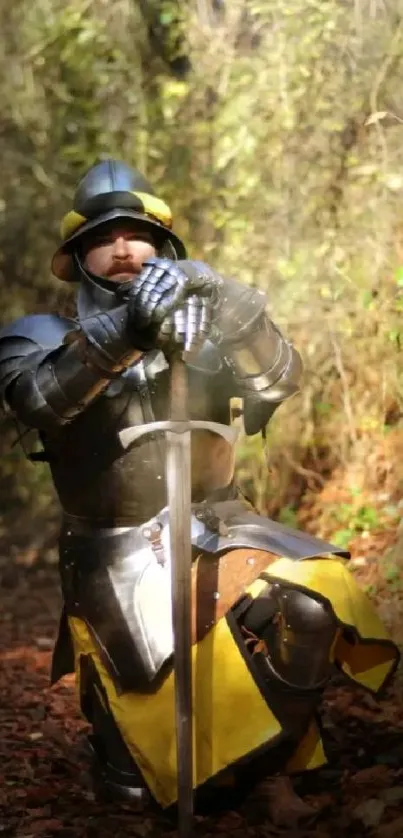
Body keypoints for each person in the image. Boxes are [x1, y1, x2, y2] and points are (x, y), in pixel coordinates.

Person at [0, 159, 398, 812]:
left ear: (163, 246)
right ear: (78, 256)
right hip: (116, 549)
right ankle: (117, 743)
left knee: (314, 600)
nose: (123, 248)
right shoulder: (38, 336)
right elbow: (39, 401)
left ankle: (268, 766)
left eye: (136, 235)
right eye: (104, 238)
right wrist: (124, 333)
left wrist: (228, 303)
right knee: (133, 791)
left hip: (222, 523)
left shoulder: (208, 329)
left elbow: (278, 379)